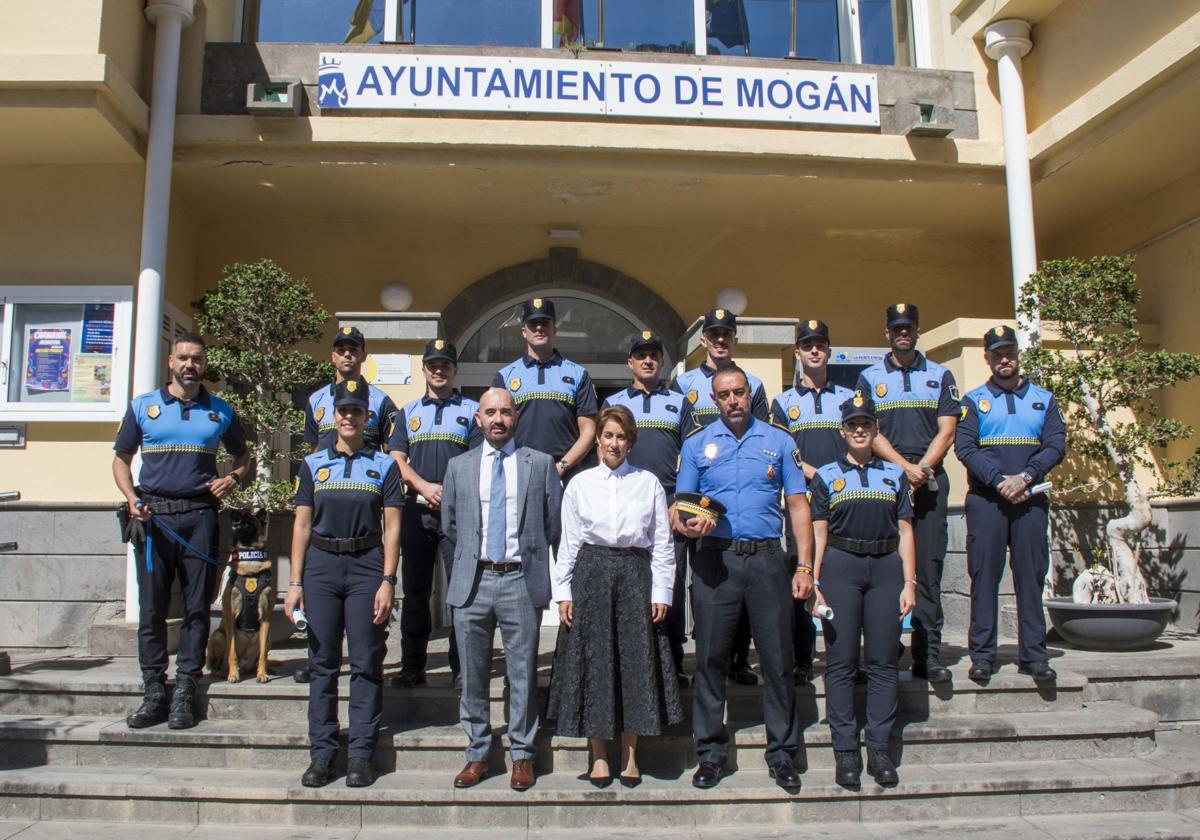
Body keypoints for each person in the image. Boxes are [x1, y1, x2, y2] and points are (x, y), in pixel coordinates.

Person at [674, 366, 812, 791]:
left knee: (776, 660)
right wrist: (687, 526)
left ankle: (782, 754)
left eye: (739, 393)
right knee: (711, 660)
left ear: (750, 394)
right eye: (724, 395)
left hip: (768, 560)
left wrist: (804, 566)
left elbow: (799, 506)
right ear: (713, 400)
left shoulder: (779, 441)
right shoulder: (697, 444)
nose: (733, 400)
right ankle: (711, 754)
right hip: (716, 561)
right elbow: (680, 509)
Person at [113, 332, 249, 731]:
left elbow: (243, 454)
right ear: (170, 362)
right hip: (154, 518)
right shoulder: (143, 407)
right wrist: (130, 496)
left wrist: (234, 478)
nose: (190, 365)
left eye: (197, 359)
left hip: (200, 517)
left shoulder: (220, 410)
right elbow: (121, 458)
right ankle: (154, 689)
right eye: (183, 358)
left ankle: (187, 687)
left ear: (205, 364)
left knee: (195, 606)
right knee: (152, 609)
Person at [548, 405, 684, 787]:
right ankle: (599, 756)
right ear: (598, 441)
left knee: (634, 663)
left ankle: (630, 755)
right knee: (597, 665)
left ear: (631, 442)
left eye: (621, 436)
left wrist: (662, 591)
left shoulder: (649, 483)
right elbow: (569, 543)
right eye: (607, 435)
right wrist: (563, 594)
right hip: (590, 577)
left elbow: (661, 543)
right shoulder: (580, 484)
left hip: (635, 577)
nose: (614, 443)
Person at [441, 387, 563, 792]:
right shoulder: (458, 466)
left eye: (505, 412)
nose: (498, 419)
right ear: (478, 419)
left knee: (523, 673)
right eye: (490, 412)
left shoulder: (540, 464)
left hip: (519, 579)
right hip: (472, 580)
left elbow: (552, 524)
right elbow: (451, 524)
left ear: (516, 417)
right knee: (473, 675)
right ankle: (477, 752)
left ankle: (522, 754)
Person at [284, 380, 402, 788]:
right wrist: (294, 581)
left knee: (367, 663)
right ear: (332, 417)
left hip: (367, 566)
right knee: (323, 665)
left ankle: (361, 755)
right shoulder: (313, 464)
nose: (349, 417)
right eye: (343, 411)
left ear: (367, 417)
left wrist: (388, 580)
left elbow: (392, 527)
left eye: (357, 411)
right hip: (320, 567)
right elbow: (301, 524)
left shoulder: (385, 465)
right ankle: (322, 754)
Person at [810, 392, 917, 788]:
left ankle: (879, 748)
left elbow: (906, 531)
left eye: (866, 425)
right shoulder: (824, 475)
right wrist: (815, 583)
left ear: (876, 430)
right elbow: (819, 534)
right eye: (853, 425)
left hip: (886, 568)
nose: (859, 430)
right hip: (841, 567)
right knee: (839, 662)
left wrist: (910, 581)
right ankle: (845, 752)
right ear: (843, 430)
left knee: (884, 660)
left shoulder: (895, 475)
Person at [856, 303, 959, 684]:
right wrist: (903, 468)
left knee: (928, 570)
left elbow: (946, 430)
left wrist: (921, 470)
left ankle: (927, 655)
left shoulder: (940, 374)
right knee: (886, 570)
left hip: (929, 482)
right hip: (886, 483)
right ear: (887, 332)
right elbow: (868, 430)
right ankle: (885, 649)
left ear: (917, 331)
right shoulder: (868, 378)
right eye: (897, 327)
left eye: (909, 327)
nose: (903, 333)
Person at [956, 325, 1066, 684]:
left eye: (1009, 352)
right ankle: (983, 656)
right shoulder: (972, 402)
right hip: (987, 501)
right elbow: (966, 447)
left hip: (1030, 500)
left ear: (1017, 355)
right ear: (987, 359)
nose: (1004, 359)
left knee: (1031, 576)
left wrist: (1027, 476)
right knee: (984, 576)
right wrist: (1000, 480)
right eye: (997, 354)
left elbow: (1055, 444)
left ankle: (1034, 655)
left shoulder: (1044, 399)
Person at [674, 308, 769, 686]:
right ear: (702, 339)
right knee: (704, 580)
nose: (719, 340)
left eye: (726, 333)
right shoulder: (683, 385)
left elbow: (761, 431)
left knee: (741, 579)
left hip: (741, 487)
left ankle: (739, 660)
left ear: (734, 338)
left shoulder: (754, 383)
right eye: (713, 334)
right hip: (701, 488)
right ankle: (700, 656)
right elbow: (681, 438)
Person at [387, 339, 481, 689]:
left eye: (445, 365)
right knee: (415, 592)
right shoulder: (407, 412)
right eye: (433, 365)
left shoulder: (472, 411)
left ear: (455, 370)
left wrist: (449, 494)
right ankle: (413, 667)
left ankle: (462, 670)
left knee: (461, 594)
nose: (439, 370)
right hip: (416, 512)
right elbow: (396, 459)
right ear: (424, 370)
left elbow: (476, 461)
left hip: (458, 514)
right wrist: (425, 487)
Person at [602, 331, 691, 684]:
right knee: (630, 580)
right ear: (630, 363)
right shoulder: (613, 403)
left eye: (654, 354)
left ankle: (673, 662)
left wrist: (681, 501)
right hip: (627, 499)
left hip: (669, 502)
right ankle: (631, 659)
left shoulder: (680, 402)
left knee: (671, 581)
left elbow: (693, 457)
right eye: (641, 355)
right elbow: (605, 452)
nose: (648, 360)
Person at [770, 318, 854, 686]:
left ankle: (846, 657)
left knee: (843, 576)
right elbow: (780, 452)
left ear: (829, 351)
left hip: (844, 498)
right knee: (801, 576)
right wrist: (815, 474)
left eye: (820, 344)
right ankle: (802, 659)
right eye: (807, 345)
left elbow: (859, 444)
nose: (814, 350)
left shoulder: (849, 399)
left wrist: (832, 477)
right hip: (802, 500)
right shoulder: (783, 403)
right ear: (798, 353)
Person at [492, 297, 598, 482]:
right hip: (518, 472)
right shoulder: (505, 376)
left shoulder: (578, 374)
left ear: (554, 328)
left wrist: (562, 466)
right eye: (533, 323)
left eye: (545, 322)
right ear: (524, 331)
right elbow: (496, 427)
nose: (539, 328)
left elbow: (589, 431)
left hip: (566, 473)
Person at [305, 326, 398, 452]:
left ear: (364, 356)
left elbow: (391, 454)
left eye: (353, 350)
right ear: (333, 357)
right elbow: (314, 453)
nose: (347, 354)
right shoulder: (316, 400)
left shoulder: (381, 401)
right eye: (341, 350)